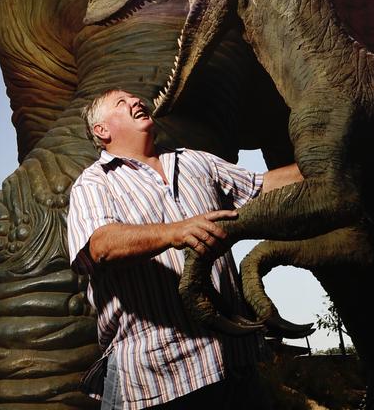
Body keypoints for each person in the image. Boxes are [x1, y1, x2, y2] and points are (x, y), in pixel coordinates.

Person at [67, 88, 304, 410]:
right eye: (121, 104)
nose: (136, 102)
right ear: (102, 131)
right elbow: (101, 245)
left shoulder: (195, 160)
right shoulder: (94, 183)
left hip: (235, 364)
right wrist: (174, 232)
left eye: (136, 98)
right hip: (159, 378)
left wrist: (322, 161)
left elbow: (261, 188)